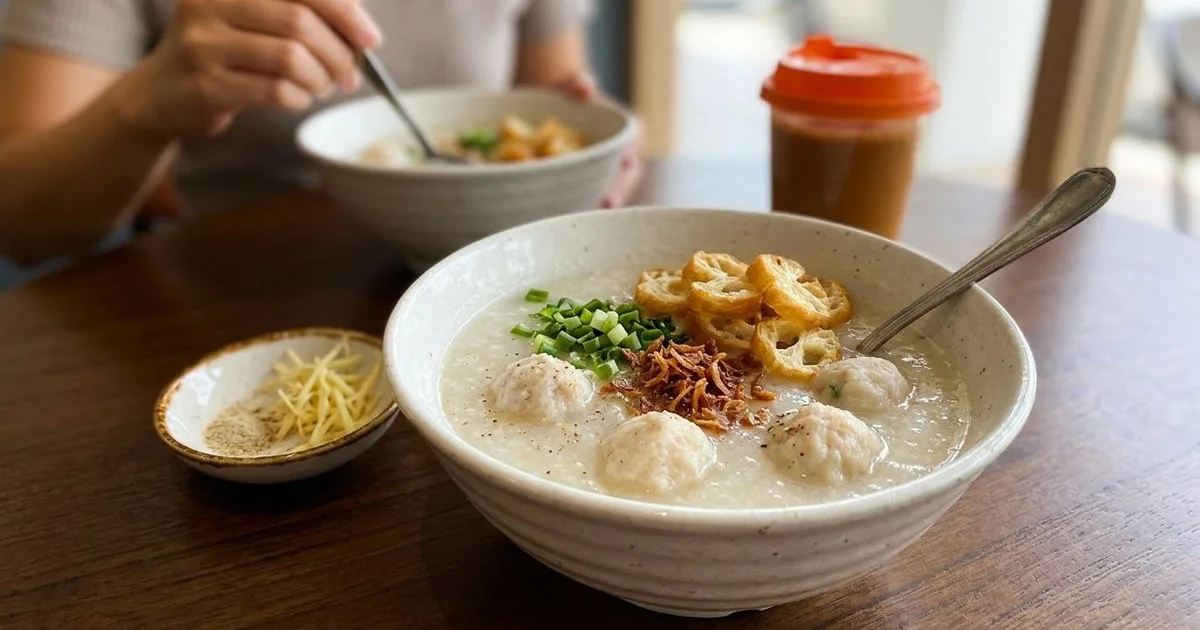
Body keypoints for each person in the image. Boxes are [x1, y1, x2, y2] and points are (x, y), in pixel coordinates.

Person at [0, 0, 642, 269]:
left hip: (491, 271)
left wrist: (604, 144)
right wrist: (145, 103)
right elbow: (21, 220)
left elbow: (559, 92)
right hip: (231, 298)